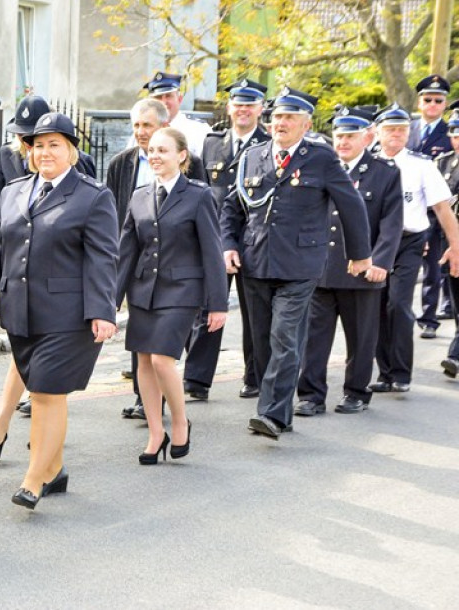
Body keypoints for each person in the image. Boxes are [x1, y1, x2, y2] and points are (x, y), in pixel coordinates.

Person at [221, 87, 373, 440]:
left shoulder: (320, 158)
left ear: (306, 125)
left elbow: (351, 205)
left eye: (289, 117)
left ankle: (271, 414)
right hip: (256, 261)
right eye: (277, 117)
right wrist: (227, 245)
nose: (281, 123)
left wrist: (359, 255)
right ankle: (282, 411)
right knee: (261, 341)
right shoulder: (253, 156)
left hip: (301, 265)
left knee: (284, 336)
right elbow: (233, 207)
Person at [0, 111, 118, 505]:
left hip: (69, 315)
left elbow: (103, 257)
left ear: (72, 152)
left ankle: (33, 480)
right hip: (21, 312)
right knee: (46, 390)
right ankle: (55, 468)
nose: (44, 152)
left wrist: (103, 311)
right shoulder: (13, 191)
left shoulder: (93, 196)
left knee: (46, 392)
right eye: (38, 145)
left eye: (54, 145)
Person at [0, 94, 96, 450]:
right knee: (24, 360)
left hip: (58, 289)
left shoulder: (82, 167)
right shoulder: (7, 157)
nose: (35, 146)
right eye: (28, 138)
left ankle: (29, 444)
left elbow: (91, 231)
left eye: (45, 139)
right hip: (19, 278)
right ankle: (32, 447)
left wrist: (100, 306)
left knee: (44, 382)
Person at [116, 127, 226, 463]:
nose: (155, 156)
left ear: (182, 155)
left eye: (164, 150)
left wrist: (218, 303)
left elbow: (212, 251)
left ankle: (180, 421)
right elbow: (126, 253)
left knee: (163, 360)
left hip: (182, 291)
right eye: (151, 150)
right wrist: (110, 302)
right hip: (144, 292)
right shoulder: (138, 196)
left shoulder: (199, 195)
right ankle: (155, 432)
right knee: (143, 363)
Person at [295, 107, 402, 416]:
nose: (342, 142)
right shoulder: (319, 166)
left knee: (361, 337)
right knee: (314, 337)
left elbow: (392, 223)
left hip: (362, 270)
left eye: (350, 136)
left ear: (367, 137)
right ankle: (311, 395)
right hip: (321, 268)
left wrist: (379, 262)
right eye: (339, 136)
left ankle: (356, 392)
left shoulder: (385, 172)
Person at [106, 98, 205, 419]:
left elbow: (200, 211)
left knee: (163, 352)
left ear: (164, 126)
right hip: (138, 264)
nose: (140, 132)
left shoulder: (191, 164)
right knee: (142, 347)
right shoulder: (121, 163)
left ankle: (179, 407)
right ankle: (144, 401)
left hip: (178, 273)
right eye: (135, 125)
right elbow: (112, 213)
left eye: (146, 125)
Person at [183, 79, 269, 401]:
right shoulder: (211, 144)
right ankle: (197, 380)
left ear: (260, 109)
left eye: (250, 104)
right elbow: (199, 193)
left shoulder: (269, 144)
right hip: (214, 240)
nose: (243, 110)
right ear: (229, 107)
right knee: (207, 309)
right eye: (238, 103)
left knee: (255, 314)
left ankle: (254, 376)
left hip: (254, 241)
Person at [370, 103, 459, 394]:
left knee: (398, 304)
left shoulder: (421, 165)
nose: (397, 134)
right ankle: (384, 373)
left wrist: (455, 245)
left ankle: (401, 372)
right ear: (378, 132)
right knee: (377, 307)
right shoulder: (369, 163)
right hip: (375, 242)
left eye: (402, 129)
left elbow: (443, 210)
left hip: (409, 241)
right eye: (390, 129)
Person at [409, 75, 453, 338]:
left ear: (444, 104)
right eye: (428, 99)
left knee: (433, 266)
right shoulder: (407, 129)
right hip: (408, 207)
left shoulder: (449, 132)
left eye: (438, 100)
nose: (433, 104)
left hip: (435, 210)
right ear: (420, 101)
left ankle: (428, 318)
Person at [435, 104, 459, 376]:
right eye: (454, 133)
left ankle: (455, 353)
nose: (456, 139)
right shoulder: (442, 162)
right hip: (450, 239)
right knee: (456, 298)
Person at [139, 71, 211, 155]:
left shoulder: (198, 130)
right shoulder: (142, 132)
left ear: (179, 99)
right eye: (158, 97)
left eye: (168, 96)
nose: (163, 102)